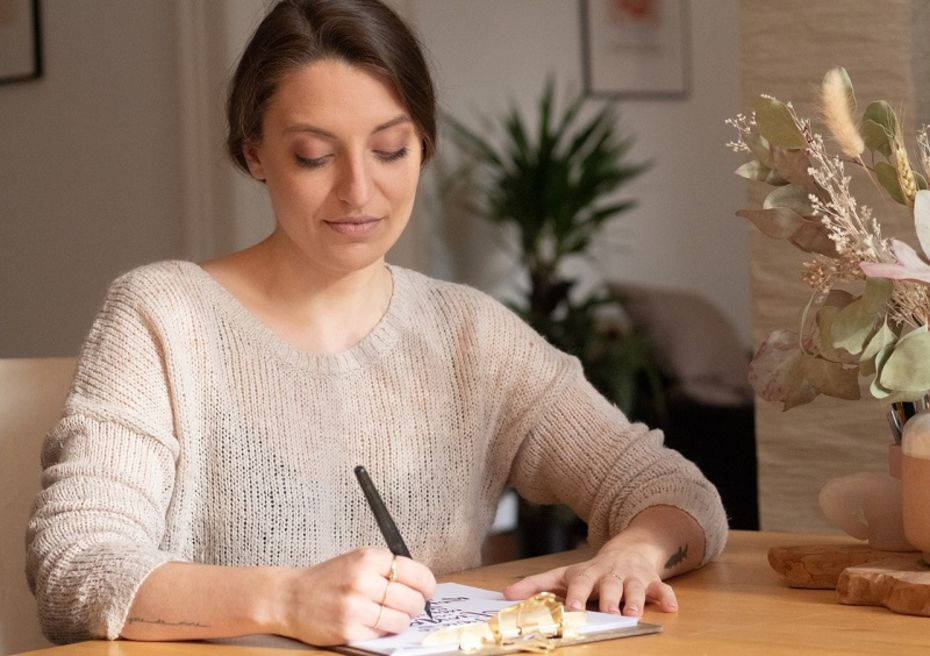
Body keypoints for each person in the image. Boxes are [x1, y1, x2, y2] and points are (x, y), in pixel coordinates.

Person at [26, 0, 728, 647]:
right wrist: (285, 599)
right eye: (313, 155)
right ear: (254, 154)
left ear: (423, 145)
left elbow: (678, 493)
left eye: (390, 149)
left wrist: (631, 553)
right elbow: (75, 564)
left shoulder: (470, 335)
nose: (358, 191)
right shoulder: (162, 317)